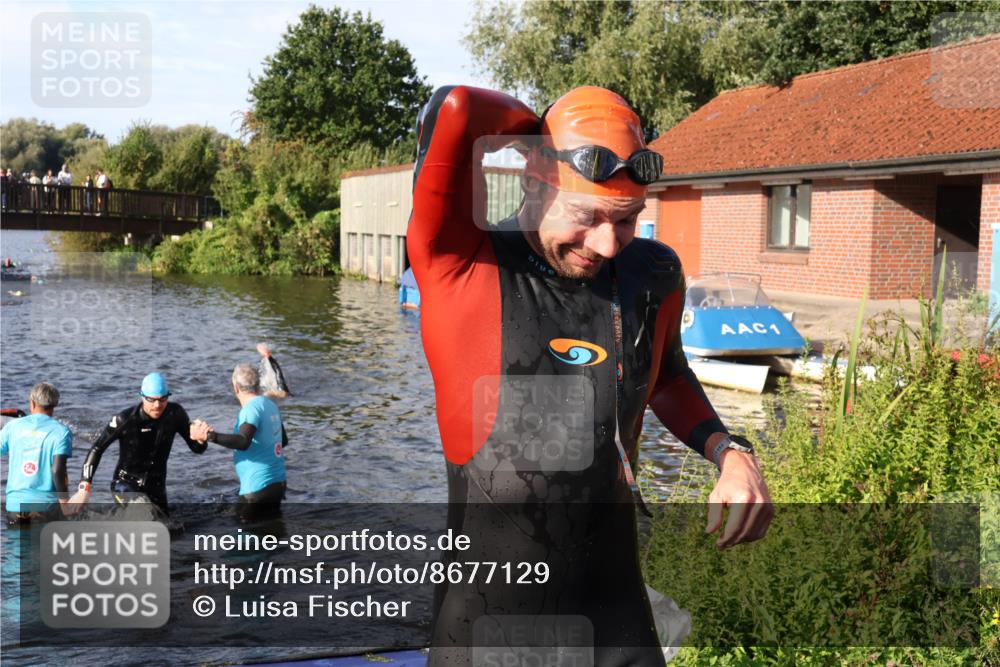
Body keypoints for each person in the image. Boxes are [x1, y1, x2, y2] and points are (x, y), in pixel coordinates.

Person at [409, 86, 774, 665]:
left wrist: (730, 452)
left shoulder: (650, 273)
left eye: (627, 220)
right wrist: (544, 131)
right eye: (587, 217)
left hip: (615, 620)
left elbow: (668, 377)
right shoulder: (464, 263)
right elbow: (454, 108)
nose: (606, 244)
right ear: (533, 180)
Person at [70, 373, 206, 513]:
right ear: (142, 397)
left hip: (156, 486)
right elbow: (97, 449)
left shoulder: (175, 414)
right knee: (146, 516)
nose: (157, 405)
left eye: (162, 399)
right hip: (124, 485)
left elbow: (197, 449)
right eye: (151, 400)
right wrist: (84, 488)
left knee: (169, 529)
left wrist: (201, 440)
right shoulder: (125, 420)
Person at [192, 364, 288, 520]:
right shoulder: (270, 405)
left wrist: (210, 436)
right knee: (271, 535)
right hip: (277, 484)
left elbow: (243, 441)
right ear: (258, 385)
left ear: (235, 387)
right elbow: (283, 440)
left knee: (243, 538)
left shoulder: (251, 409)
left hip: (257, 487)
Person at [0, 383, 72, 524]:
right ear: (55, 404)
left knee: (18, 544)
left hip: (15, 507)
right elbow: (58, 470)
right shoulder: (62, 432)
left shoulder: (12, 426)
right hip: (45, 508)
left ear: (32, 403)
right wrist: (65, 503)